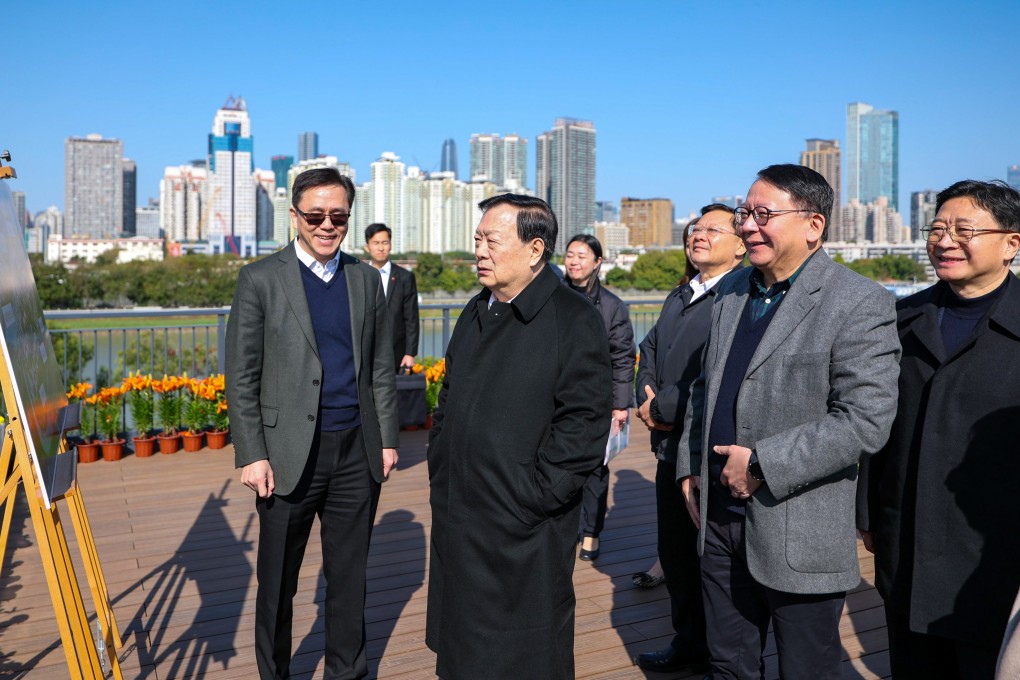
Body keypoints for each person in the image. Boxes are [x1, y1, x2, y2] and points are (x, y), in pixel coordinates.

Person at [676, 164, 900, 680]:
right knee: (728, 663)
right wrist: (689, 470)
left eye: (764, 214)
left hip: (797, 526)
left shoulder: (860, 302)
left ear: (813, 225)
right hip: (717, 521)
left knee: (805, 668)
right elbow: (704, 386)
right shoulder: (732, 290)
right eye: (744, 213)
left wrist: (762, 464)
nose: (748, 226)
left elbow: (865, 419)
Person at [425, 194, 611, 680]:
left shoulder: (573, 318)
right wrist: (441, 462)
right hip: (460, 512)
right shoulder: (475, 310)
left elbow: (584, 425)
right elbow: (447, 400)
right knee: (461, 654)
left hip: (523, 528)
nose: (480, 252)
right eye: (477, 240)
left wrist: (534, 496)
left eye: (492, 241)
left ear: (534, 249)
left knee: (524, 656)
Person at [225, 167, 399, 680]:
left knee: (350, 580)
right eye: (316, 215)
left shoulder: (366, 280)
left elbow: (381, 369)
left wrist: (388, 439)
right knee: (279, 581)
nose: (328, 225)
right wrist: (251, 452)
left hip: (356, 452)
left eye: (338, 216)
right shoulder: (260, 278)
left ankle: (347, 673)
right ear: (295, 215)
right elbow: (242, 376)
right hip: (286, 454)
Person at [857, 179, 1020, 678]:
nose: (945, 240)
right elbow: (874, 421)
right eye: (937, 228)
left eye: (963, 229)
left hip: (994, 555)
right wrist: (867, 513)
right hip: (905, 541)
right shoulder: (900, 317)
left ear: (1012, 243)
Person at [633, 204, 746, 673]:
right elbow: (650, 349)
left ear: (741, 244)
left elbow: (714, 373)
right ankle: (688, 643)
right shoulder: (682, 294)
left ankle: (719, 656)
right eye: (696, 228)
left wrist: (660, 407)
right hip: (667, 447)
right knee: (675, 553)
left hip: (704, 450)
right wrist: (646, 392)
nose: (699, 235)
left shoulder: (737, 297)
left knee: (711, 563)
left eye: (712, 229)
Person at [562, 233, 635, 562]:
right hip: (554, 398)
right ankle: (562, 526)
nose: (574, 261)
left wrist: (620, 405)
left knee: (595, 468)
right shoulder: (551, 296)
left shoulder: (612, 306)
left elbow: (623, 358)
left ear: (597, 262)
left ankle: (591, 531)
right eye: (569, 255)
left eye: (581, 256)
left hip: (595, 401)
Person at [364, 222, 420, 371]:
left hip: (396, 352)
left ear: (390, 245)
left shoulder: (405, 277)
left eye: (385, 242)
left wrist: (410, 353)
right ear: (367, 247)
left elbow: (411, 318)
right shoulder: (359, 276)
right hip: (364, 351)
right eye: (376, 243)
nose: (381, 248)